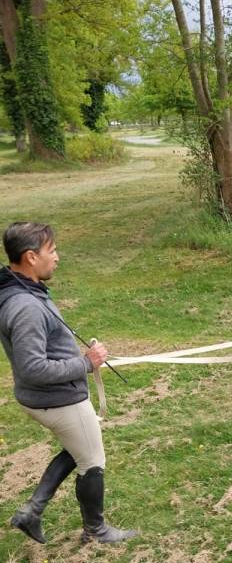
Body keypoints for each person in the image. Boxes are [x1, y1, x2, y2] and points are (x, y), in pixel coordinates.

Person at [0, 221, 137, 544]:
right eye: (52, 250)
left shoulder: (22, 289)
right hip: (56, 398)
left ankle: (31, 511)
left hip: (47, 396)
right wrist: (85, 363)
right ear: (31, 257)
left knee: (78, 445)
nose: (58, 257)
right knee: (91, 461)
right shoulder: (25, 307)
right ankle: (96, 530)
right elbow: (33, 368)